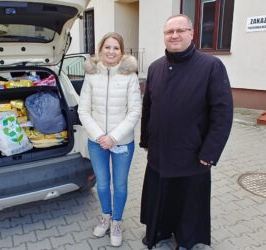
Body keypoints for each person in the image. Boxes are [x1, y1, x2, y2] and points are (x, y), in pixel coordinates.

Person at [139, 14, 233, 250]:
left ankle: (187, 241)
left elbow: (222, 114)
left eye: (180, 30)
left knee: (189, 201)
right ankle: (160, 234)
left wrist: (210, 152)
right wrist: (145, 140)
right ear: (164, 36)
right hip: (159, 151)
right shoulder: (155, 67)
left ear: (192, 33)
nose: (174, 35)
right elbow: (148, 107)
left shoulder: (211, 66)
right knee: (161, 196)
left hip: (193, 153)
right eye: (169, 31)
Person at [78, 32, 141, 247]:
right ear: (100, 49)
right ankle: (105, 217)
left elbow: (134, 111)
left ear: (122, 52)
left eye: (116, 48)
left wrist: (113, 137)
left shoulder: (129, 76)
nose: (111, 51)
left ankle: (117, 222)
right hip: (97, 143)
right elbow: (83, 110)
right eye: (107, 47)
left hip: (122, 142)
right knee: (103, 185)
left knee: (120, 185)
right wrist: (100, 137)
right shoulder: (91, 75)